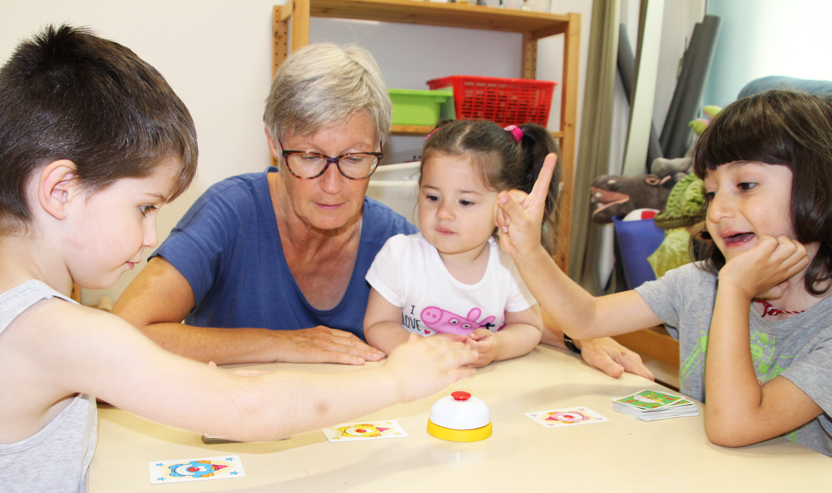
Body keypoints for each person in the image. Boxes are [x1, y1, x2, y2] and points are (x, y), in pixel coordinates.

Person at [0, 25, 476, 493]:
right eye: (144, 207)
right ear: (60, 190)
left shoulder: (30, 310)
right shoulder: (57, 332)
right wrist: (399, 381)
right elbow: (250, 408)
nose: (150, 236)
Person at [111, 42, 653, 380]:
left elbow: (493, 310)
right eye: (309, 157)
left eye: (354, 159)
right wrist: (283, 343)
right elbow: (125, 332)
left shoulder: (395, 237)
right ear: (274, 144)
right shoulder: (231, 212)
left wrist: (583, 334)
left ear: (381, 149)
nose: (332, 185)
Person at [496, 89, 832, 460]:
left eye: (745, 186)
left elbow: (734, 426)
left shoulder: (817, 320)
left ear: (820, 187)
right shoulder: (700, 282)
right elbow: (587, 319)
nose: (718, 212)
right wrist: (528, 250)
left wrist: (736, 291)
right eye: (711, 193)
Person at [364, 120, 557, 367]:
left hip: (485, 383)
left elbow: (529, 327)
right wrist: (422, 348)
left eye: (465, 202)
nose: (444, 212)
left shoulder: (510, 262)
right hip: (416, 379)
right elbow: (378, 325)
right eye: (433, 197)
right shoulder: (399, 254)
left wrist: (499, 346)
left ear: (503, 205)